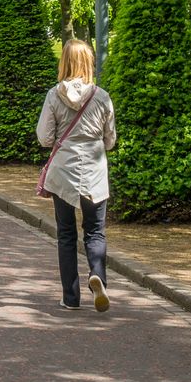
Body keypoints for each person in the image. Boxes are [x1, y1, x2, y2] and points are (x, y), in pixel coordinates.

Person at [38, 38, 116, 313]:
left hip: (64, 170)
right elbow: (110, 141)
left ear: (64, 62)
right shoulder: (102, 96)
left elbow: (45, 138)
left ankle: (71, 297)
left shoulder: (53, 95)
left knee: (66, 233)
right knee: (95, 231)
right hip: (94, 169)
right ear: (89, 63)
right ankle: (97, 275)